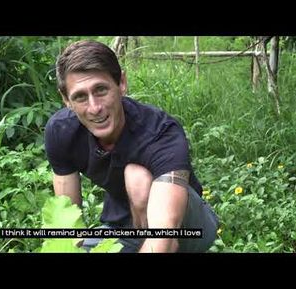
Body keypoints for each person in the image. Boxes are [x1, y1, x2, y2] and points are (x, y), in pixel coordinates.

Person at [44, 40, 219, 253]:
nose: (94, 108)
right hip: (123, 227)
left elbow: (164, 237)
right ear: (66, 100)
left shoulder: (160, 133)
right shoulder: (61, 131)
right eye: (80, 96)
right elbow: (67, 222)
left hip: (186, 227)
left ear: (122, 84)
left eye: (100, 90)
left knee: (137, 177)